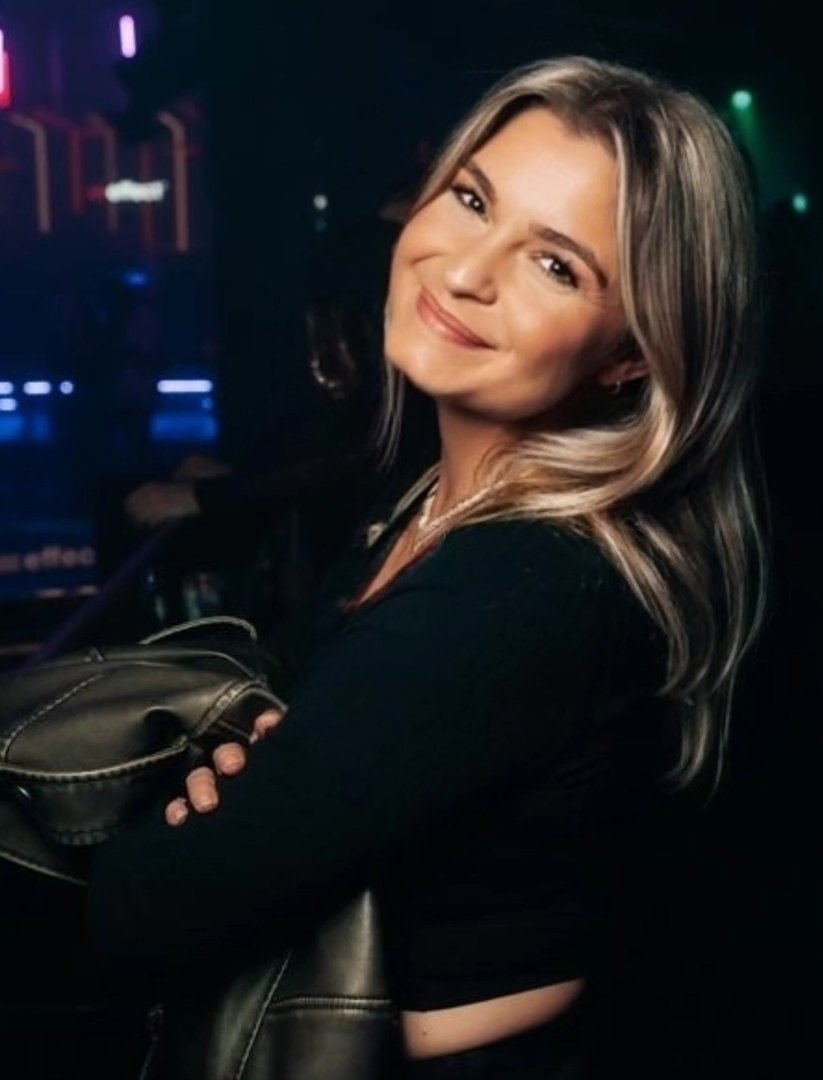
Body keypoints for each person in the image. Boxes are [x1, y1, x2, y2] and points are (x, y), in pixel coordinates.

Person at [83, 55, 764, 1078]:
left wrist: (192, 803)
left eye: (556, 265)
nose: (464, 271)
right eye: (473, 199)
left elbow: (148, 912)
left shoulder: (527, 584)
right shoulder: (422, 500)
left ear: (633, 353)